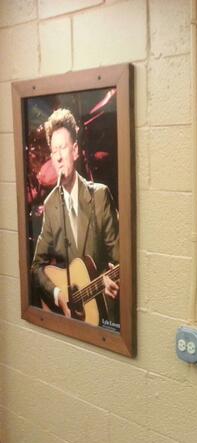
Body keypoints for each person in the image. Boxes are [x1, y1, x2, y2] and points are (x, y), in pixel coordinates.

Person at [31, 108, 120, 327]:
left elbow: (121, 260)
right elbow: (36, 267)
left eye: (63, 148)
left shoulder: (100, 196)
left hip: (102, 314)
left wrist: (111, 279)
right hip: (70, 319)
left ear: (76, 151)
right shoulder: (50, 204)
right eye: (54, 151)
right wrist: (57, 293)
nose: (59, 157)